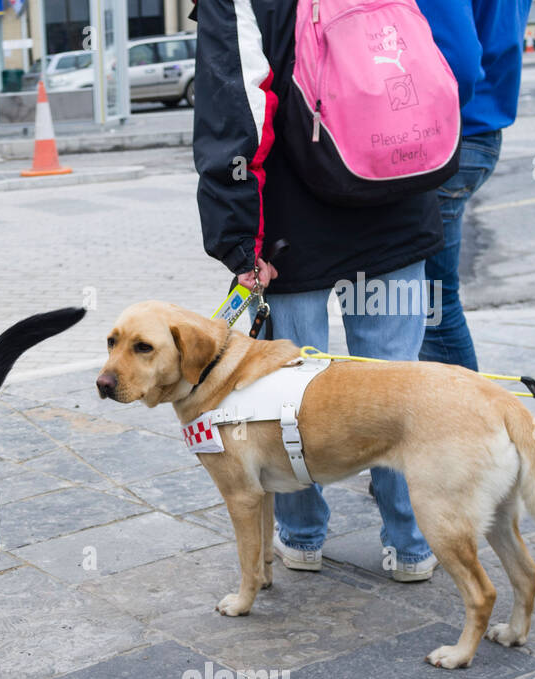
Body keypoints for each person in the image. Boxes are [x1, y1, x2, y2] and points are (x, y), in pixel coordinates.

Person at [190, 0, 444, 580]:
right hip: (394, 199)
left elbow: (236, 114)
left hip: (291, 227)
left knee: (288, 393)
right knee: (396, 385)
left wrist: (238, 242)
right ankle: (409, 545)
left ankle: (302, 537)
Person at [417, 1, 533, 369]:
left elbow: (460, 59)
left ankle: (466, 421)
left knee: (426, 306)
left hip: (448, 133)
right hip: (480, 129)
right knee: (430, 301)